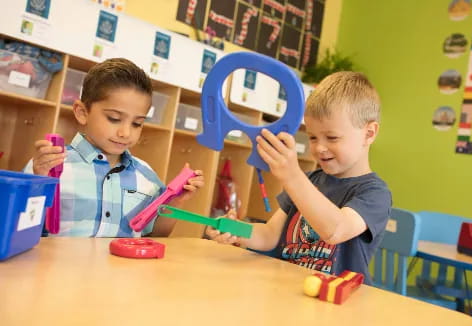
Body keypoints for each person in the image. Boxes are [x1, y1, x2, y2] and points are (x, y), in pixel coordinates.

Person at [206, 71, 392, 283]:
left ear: (369, 133)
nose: (320, 147)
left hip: (336, 304)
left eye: (332, 137)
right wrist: (237, 231)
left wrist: (292, 176)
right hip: (288, 290)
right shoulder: (309, 181)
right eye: (312, 137)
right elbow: (269, 235)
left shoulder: (375, 194)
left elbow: (336, 231)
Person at [24, 58, 204, 237]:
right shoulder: (47, 167)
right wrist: (38, 181)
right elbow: (20, 227)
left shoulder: (146, 176)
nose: (126, 133)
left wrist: (176, 201)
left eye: (137, 123)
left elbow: (155, 235)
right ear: (82, 112)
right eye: (114, 119)